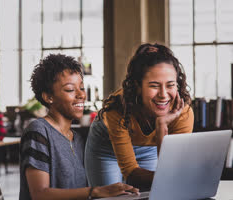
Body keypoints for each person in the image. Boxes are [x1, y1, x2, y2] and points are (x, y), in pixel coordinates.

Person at [19, 54, 139, 200]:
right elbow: (40, 194)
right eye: (70, 90)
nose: (81, 94)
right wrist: (95, 191)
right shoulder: (38, 132)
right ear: (48, 97)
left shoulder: (77, 139)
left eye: (81, 88)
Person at [84, 43, 194, 191]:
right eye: (154, 86)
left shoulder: (183, 113)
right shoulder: (117, 108)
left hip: (149, 148)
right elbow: (130, 172)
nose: (163, 94)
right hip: (106, 145)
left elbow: (169, 172)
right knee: (109, 196)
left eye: (170, 85)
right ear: (137, 86)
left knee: (151, 193)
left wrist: (161, 125)